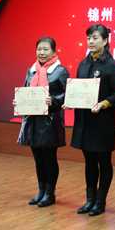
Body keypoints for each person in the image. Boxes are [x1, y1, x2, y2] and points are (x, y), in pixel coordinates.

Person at [71, 24, 115, 216]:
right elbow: (78, 89)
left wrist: (104, 103)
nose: (91, 41)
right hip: (85, 121)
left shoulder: (111, 66)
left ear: (105, 40)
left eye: (95, 38)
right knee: (89, 162)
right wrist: (70, 100)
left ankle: (100, 201)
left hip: (102, 122)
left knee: (104, 161)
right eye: (89, 38)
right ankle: (90, 200)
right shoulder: (83, 63)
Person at [17, 37, 69, 207]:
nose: (42, 52)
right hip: (33, 121)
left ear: (54, 51)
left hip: (50, 122)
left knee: (49, 159)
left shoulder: (60, 71)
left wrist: (53, 100)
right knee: (38, 159)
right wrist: (19, 101)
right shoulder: (31, 70)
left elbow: (68, 94)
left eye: (46, 49)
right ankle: (41, 190)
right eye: (39, 49)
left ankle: (50, 193)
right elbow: (26, 90)